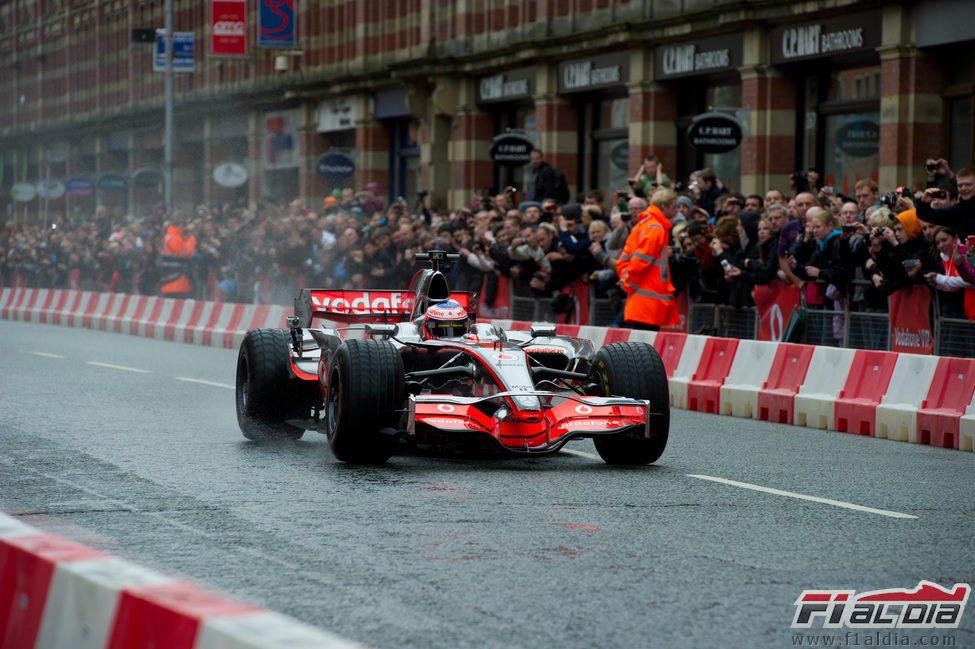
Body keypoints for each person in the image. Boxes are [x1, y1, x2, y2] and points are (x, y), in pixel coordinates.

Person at [616, 188, 681, 330]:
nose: (677, 210)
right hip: (649, 304)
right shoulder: (656, 228)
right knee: (646, 348)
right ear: (663, 206)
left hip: (641, 302)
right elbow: (641, 262)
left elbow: (624, 260)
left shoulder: (643, 225)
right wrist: (628, 283)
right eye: (674, 206)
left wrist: (626, 280)